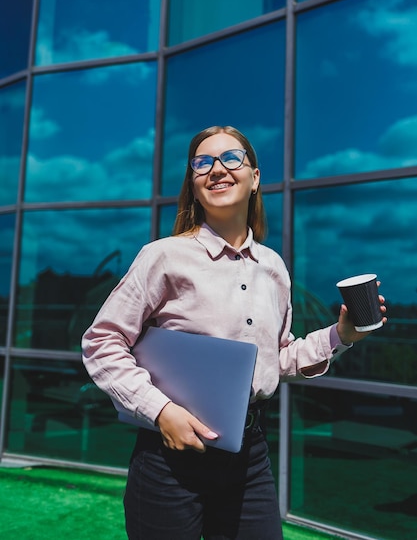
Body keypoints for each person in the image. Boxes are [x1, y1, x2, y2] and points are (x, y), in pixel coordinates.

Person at [82, 125, 387, 540]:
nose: (216, 170)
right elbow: (102, 342)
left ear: (255, 178)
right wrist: (160, 410)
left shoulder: (273, 268)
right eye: (202, 162)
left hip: (249, 457)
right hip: (168, 461)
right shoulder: (163, 257)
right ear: (192, 183)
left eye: (231, 158)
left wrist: (342, 334)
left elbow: (278, 357)